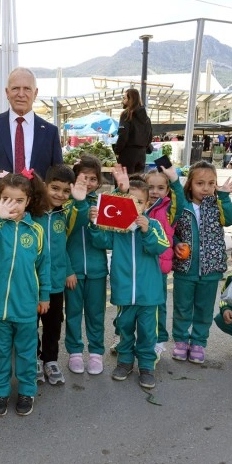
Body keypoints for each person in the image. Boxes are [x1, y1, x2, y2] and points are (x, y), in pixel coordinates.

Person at [0, 170, 50, 417]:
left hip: (26, 306)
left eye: (19, 200)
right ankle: (0, 391)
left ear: (29, 200)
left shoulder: (36, 230)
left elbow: (44, 265)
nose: (13, 205)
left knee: (27, 352)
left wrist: (44, 296)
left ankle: (27, 390)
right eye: (7, 199)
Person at [88, 179, 169, 389]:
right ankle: (125, 361)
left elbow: (161, 247)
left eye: (139, 202)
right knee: (124, 327)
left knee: (147, 331)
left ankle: (146, 365)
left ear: (146, 204)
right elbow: (100, 241)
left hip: (149, 294)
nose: (135, 206)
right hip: (124, 291)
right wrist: (94, 223)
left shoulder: (153, 225)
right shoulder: (117, 229)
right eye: (130, 201)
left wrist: (147, 231)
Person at [171, 161, 232, 364]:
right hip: (184, 269)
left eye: (211, 183)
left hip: (211, 271)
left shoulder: (217, 204)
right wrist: (175, 245)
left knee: (204, 309)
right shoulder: (182, 205)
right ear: (190, 184)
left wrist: (224, 197)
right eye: (200, 183)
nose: (206, 188)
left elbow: (231, 219)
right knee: (182, 308)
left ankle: (199, 342)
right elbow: (171, 229)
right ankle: (181, 341)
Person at [34, 165, 88, 385]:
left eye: (66, 191)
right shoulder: (30, 213)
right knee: (30, 325)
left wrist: (68, 270)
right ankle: (34, 359)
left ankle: (50, 360)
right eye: (55, 188)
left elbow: (62, 245)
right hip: (32, 282)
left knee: (53, 324)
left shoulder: (64, 214)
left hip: (56, 283)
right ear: (44, 186)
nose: (60, 195)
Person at [131, 164, 184, 356]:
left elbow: (181, 202)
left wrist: (175, 181)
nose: (155, 192)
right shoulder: (135, 206)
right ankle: (123, 336)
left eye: (161, 188)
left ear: (167, 190)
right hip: (137, 267)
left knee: (157, 307)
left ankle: (159, 339)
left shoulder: (170, 210)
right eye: (150, 187)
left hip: (159, 268)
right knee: (130, 305)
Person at [0, 67, 62, 179]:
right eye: (15, 88)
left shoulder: (50, 132)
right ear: (7, 92)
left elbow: (59, 176)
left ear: (35, 93)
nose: (21, 94)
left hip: (36, 196)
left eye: (27, 89)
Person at [64, 155, 107, 375]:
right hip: (73, 272)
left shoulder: (104, 204)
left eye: (93, 179)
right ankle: (74, 352)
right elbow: (63, 237)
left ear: (99, 182)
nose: (89, 183)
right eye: (84, 178)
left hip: (98, 270)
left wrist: (95, 225)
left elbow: (107, 241)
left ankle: (97, 353)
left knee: (96, 314)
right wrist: (68, 269)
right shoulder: (66, 204)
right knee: (72, 313)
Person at [112, 88, 153, 174]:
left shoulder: (126, 114)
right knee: (137, 183)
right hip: (141, 155)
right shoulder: (146, 118)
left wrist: (116, 150)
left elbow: (123, 136)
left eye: (124, 98)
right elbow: (149, 137)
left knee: (125, 183)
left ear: (130, 100)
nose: (122, 101)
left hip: (128, 154)